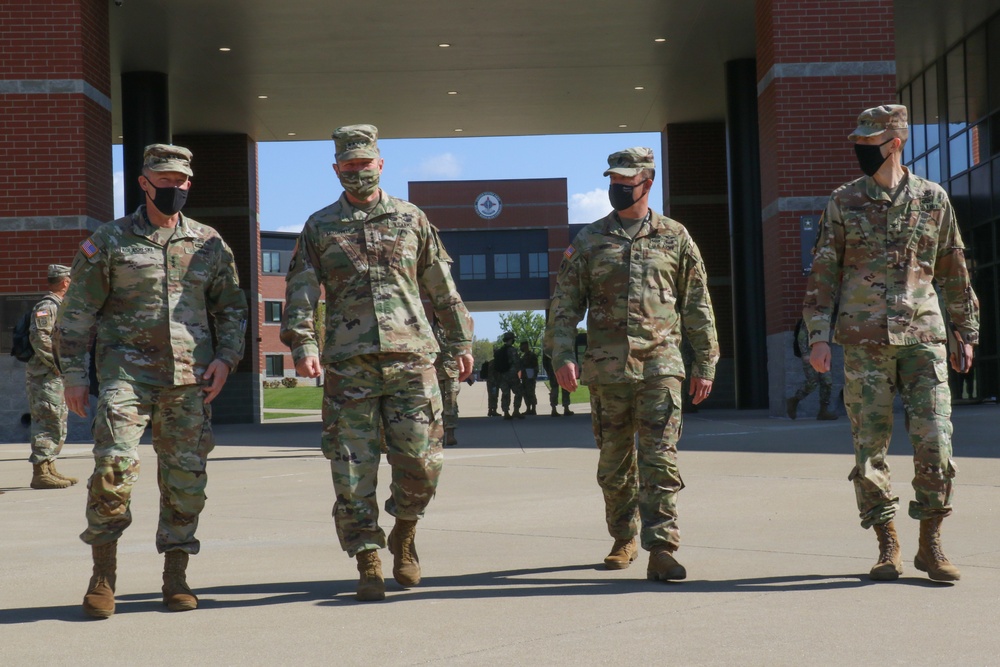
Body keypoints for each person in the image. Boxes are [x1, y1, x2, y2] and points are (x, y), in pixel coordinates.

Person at [281, 124, 474, 602]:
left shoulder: (412, 219)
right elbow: (301, 292)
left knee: (422, 465)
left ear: (381, 164)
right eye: (348, 166)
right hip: (350, 366)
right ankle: (368, 557)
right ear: (336, 169)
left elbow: (440, 286)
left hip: (412, 360)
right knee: (351, 470)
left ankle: (404, 533)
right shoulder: (320, 227)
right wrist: (303, 345)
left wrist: (462, 339)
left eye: (364, 165)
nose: (357, 173)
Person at [55, 144, 248, 618]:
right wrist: (75, 377)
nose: (174, 188)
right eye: (164, 180)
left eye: (182, 180)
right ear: (144, 182)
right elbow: (77, 311)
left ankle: (176, 576)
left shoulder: (208, 242)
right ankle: (103, 575)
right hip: (126, 375)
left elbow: (232, 308)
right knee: (113, 470)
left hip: (189, 380)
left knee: (186, 480)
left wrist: (226, 358)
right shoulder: (111, 240)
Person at [803, 105, 979, 583]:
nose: (861, 149)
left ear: (895, 143)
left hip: (924, 338)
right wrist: (818, 336)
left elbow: (953, 269)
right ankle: (887, 542)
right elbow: (823, 274)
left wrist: (966, 331)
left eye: (870, 142)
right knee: (869, 450)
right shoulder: (844, 202)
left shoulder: (933, 199)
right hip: (864, 342)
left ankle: (930, 543)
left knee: (936, 442)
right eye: (858, 141)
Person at [545, 147, 719, 582]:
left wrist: (706, 363)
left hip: (662, 366)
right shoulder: (589, 241)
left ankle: (661, 548)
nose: (617, 189)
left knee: (660, 460)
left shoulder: (675, 238)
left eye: (626, 182)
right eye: (613, 181)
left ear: (648, 181)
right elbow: (564, 306)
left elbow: (697, 305)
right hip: (607, 372)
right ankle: (623, 536)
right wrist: (563, 356)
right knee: (614, 464)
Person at [25, 264, 77, 490]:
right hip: (45, 375)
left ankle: (49, 466)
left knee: (56, 420)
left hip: (54, 375)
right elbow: (40, 339)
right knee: (47, 419)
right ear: (65, 282)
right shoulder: (46, 306)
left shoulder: (59, 305)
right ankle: (40, 472)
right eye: (71, 280)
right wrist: (58, 365)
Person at [786, 318, 837, 420]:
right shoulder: (812, 316)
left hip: (823, 353)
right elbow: (802, 336)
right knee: (813, 382)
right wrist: (805, 353)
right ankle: (795, 400)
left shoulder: (826, 317)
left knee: (827, 381)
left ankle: (823, 411)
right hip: (810, 353)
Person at [433, 321, 461, 446]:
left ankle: (450, 434)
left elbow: (462, 349)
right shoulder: (431, 328)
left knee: (451, 403)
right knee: (436, 405)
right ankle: (438, 434)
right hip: (436, 372)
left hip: (452, 372)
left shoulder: (455, 329)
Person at [494, 332, 523, 419]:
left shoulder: (500, 350)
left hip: (503, 376)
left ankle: (506, 412)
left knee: (505, 393)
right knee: (518, 392)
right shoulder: (512, 350)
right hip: (512, 375)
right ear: (511, 339)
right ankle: (516, 410)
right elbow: (517, 362)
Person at [519, 341, 539, 415]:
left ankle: (533, 409)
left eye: (522, 346)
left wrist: (533, 376)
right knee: (525, 393)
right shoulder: (523, 356)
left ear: (525, 346)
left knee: (531, 392)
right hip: (524, 378)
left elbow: (536, 367)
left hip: (530, 377)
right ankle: (528, 409)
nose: (521, 348)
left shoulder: (532, 355)